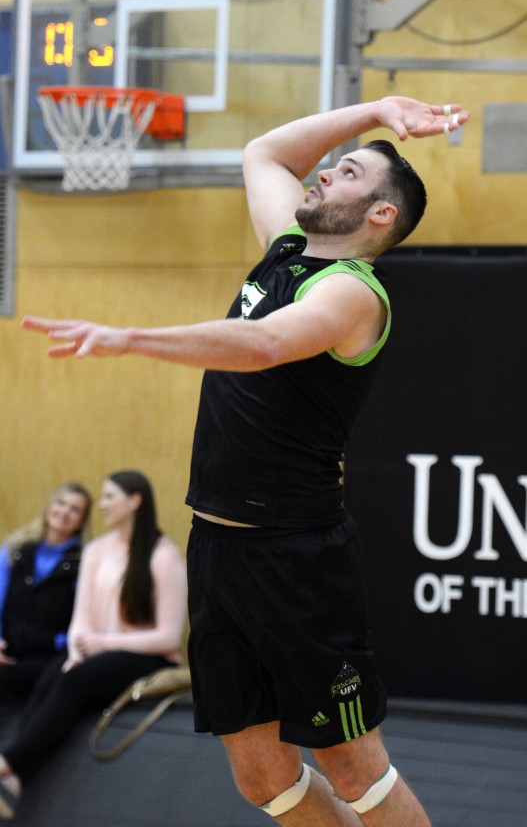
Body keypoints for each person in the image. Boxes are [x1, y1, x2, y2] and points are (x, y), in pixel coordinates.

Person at [19, 96, 469, 827]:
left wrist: (129, 336)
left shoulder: (353, 294)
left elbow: (259, 347)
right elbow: (264, 152)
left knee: (352, 766)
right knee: (262, 778)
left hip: (294, 557)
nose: (323, 172)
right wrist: (380, 111)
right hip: (218, 547)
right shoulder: (289, 248)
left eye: (347, 171)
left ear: (379, 214)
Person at [0, 469, 187, 819]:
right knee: (53, 675)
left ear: (135, 501)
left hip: (147, 657)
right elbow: (81, 620)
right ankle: (16, 778)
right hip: (98, 651)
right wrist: (75, 651)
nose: (101, 506)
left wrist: (100, 643)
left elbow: (168, 636)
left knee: (75, 680)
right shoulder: (98, 550)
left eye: (109, 497)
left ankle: (7, 764)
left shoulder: (164, 556)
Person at [0, 482, 92, 704]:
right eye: (61, 503)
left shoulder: (84, 561)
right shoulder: (15, 548)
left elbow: (83, 617)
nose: (64, 512)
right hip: (8, 646)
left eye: (75, 509)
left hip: (49, 654)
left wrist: (61, 643)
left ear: (82, 521)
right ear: (49, 506)